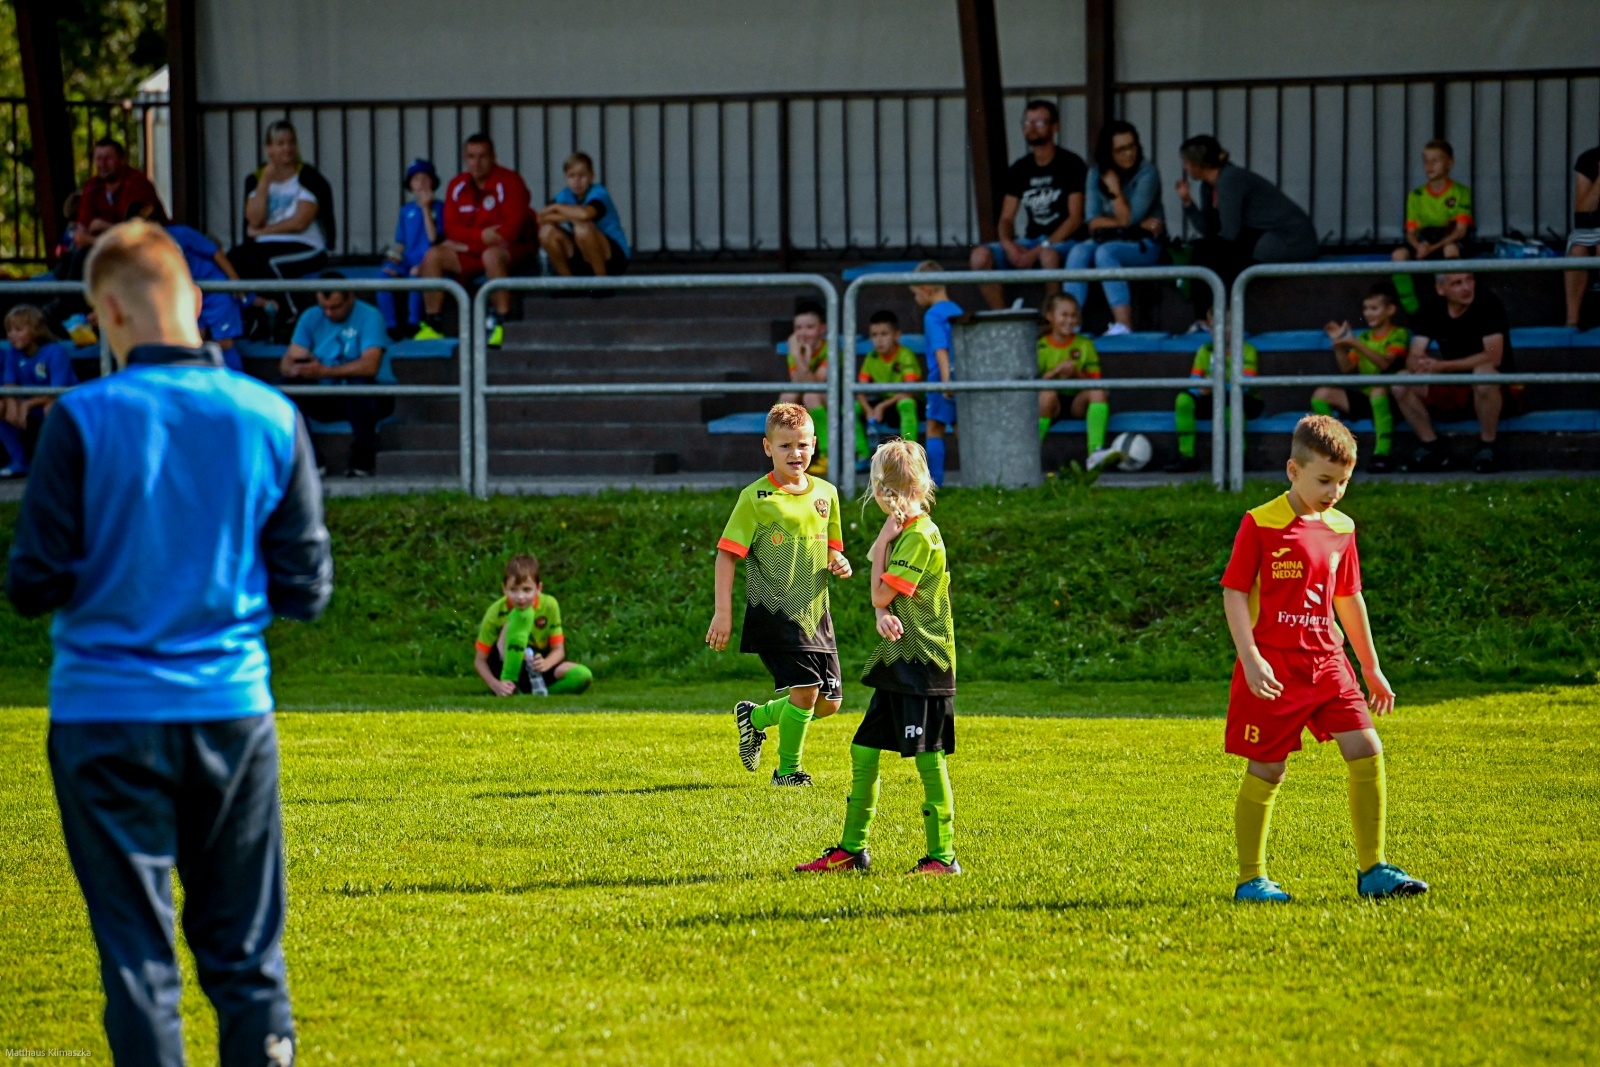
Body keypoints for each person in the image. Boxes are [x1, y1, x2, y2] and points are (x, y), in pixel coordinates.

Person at [4, 219, 331, 1066]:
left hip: (103, 716)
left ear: (109, 311)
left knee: (139, 963)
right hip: (229, 711)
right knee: (248, 958)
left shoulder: (79, 419)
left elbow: (31, 585)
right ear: (193, 301)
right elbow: (306, 591)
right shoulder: (271, 415)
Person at [1220, 414, 1427, 904]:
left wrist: (1371, 667)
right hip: (1273, 668)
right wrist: (1250, 657)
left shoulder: (1341, 528)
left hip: (1328, 663)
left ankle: (1373, 869)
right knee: (1268, 770)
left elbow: (1349, 598)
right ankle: (1252, 880)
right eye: (1324, 480)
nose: (1334, 491)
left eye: (1343, 482)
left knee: (1367, 748)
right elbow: (1233, 592)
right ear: (1293, 471)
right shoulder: (1261, 523)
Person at [796, 439, 958, 876]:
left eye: (891, 491)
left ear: (904, 490)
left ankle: (943, 856)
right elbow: (883, 596)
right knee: (864, 749)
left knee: (929, 756)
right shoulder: (905, 532)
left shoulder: (919, 536)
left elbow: (879, 591)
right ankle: (852, 850)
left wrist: (881, 596)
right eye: (888, 491)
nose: (889, 500)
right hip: (896, 660)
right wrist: (883, 609)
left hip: (924, 661)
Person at [707, 402, 852, 787]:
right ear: (768, 447)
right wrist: (723, 613)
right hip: (774, 612)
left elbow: (833, 546)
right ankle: (788, 772)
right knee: (805, 693)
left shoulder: (827, 493)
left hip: (816, 613)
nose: (796, 454)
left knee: (828, 703)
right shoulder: (755, 498)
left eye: (803, 445)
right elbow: (726, 555)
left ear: (815, 444)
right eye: (786, 446)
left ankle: (755, 718)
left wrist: (839, 561)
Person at [416, 133, 536, 348]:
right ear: (465, 158)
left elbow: (511, 231)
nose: (477, 163)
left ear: (493, 157)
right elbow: (452, 229)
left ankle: (502, 322)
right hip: (473, 253)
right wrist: (480, 238)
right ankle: (433, 324)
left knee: (492, 255)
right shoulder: (457, 185)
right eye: (471, 157)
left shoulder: (511, 181)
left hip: (513, 251)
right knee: (433, 255)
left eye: (483, 156)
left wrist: (466, 243)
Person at [1178, 135, 1318, 316]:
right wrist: (1188, 203)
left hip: (1289, 240)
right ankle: (1208, 316)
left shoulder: (1230, 179)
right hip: (1258, 237)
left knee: (1210, 254)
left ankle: (1209, 316)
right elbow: (1209, 231)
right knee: (1203, 251)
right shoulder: (1208, 187)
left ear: (1198, 164)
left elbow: (1229, 234)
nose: (1185, 168)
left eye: (1187, 163)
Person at [1392, 272, 1517, 474]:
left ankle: (1487, 446)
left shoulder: (1487, 302)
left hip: (1499, 389)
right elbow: (1414, 355)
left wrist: (1442, 367)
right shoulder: (1432, 308)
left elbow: (1494, 357)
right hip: (1456, 386)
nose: (1466, 287)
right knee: (1401, 382)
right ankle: (1432, 447)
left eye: (1469, 280)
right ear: (1441, 289)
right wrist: (1420, 364)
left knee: (1484, 374)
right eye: (1457, 283)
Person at [968, 100, 1086, 310]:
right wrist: (1008, 245)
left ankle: (1051, 318)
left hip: (1062, 242)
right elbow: (1006, 218)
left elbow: (1075, 218)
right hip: (1030, 241)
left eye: (1040, 122)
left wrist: (1039, 249)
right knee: (979, 257)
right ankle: (1005, 318)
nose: (1032, 127)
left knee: (1047, 256)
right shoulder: (1020, 169)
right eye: (1027, 122)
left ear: (1055, 126)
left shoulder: (1071, 164)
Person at [280, 270, 394, 477]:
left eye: (335, 307)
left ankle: (362, 462)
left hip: (369, 394)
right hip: (326, 393)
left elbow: (370, 366)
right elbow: (287, 362)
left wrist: (326, 370)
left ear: (350, 297)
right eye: (324, 307)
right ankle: (312, 461)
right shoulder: (311, 316)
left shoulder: (370, 316)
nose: (329, 314)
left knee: (359, 385)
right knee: (286, 387)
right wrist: (300, 368)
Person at [1066, 120, 1166, 334]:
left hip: (1144, 245)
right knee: (1078, 251)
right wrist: (1130, 222)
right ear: (1108, 152)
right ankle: (1070, 324)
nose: (1129, 153)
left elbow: (1130, 218)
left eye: (1132, 146)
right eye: (1121, 149)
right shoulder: (1095, 173)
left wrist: (1115, 192)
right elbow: (1092, 221)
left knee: (1105, 253)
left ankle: (1123, 325)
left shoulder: (1147, 172)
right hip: (1108, 237)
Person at [228, 121, 336, 318]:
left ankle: (289, 314)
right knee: (234, 258)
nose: (287, 148)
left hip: (304, 245)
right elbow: (254, 219)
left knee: (265, 262)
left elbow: (299, 222)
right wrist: (265, 182)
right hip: (265, 245)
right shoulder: (257, 179)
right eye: (280, 144)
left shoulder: (307, 177)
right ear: (268, 148)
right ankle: (252, 315)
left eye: (291, 143)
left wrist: (262, 232)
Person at [1313, 283, 1409, 473]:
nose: (1368, 313)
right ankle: (1333, 454)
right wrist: (1339, 344)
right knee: (1321, 393)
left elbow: (1385, 363)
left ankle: (1381, 454)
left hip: (1393, 402)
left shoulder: (1399, 334)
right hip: (1367, 398)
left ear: (1390, 310)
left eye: (1374, 308)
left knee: (1378, 390)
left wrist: (1354, 343)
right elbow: (1347, 368)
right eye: (1365, 309)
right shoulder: (1364, 338)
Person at [473, 554, 595, 697]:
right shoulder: (495, 612)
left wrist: (546, 663)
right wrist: (495, 685)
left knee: (582, 675)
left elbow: (558, 650)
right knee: (516, 619)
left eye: (526, 590)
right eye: (513, 590)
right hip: (505, 662)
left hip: (538, 662)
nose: (520, 597)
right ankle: (510, 682)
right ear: (504, 589)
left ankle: (541, 693)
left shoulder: (549, 606)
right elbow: (480, 660)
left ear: (538, 588)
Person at [1166, 308, 1262, 473]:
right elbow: (1194, 381)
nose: (1221, 331)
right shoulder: (1205, 350)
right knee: (1183, 400)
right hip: (1211, 396)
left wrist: (1218, 385)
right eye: (1215, 326)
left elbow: (1246, 384)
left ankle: (1239, 458)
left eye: (1227, 326)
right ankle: (1186, 456)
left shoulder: (1247, 350)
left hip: (1244, 399)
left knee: (1232, 405)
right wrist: (1200, 388)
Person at [1035, 293, 1115, 469]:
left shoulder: (1085, 344)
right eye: (1064, 315)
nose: (1069, 320)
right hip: (1050, 404)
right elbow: (1029, 385)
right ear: (1050, 317)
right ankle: (1029, 455)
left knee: (1098, 393)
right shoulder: (1040, 346)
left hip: (1076, 402)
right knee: (1047, 395)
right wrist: (1054, 373)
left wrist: (1076, 374)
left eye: (1073, 315)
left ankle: (1095, 454)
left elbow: (1096, 383)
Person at [1, 305, 78, 478]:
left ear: (35, 330)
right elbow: (9, 383)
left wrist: (27, 404)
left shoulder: (55, 352)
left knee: (51, 408)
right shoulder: (13, 352)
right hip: (30, 402)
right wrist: (12, 402)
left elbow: (56, 390)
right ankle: (19, 461)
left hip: (60, 400)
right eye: (9, 330)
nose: (11, 335)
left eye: (18, 330)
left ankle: (59, 464)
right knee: (2, 406)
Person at [164, 222, 246, 370]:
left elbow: (215, 251)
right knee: (194, 340)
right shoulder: (145, 246)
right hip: (190, 294)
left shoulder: (182, 232)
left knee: (224, 342)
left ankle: (236, 384)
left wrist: (234, 280)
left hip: (216, 290)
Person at [539, 152, 631, 278]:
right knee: (546, 231)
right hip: (584, 254)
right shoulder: (565, 194)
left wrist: (557, 208)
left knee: (582, 228)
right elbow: (541, 217)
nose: (577, 181)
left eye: (582, 175)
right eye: (571, 176)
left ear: (591, 176)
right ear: (566, 178)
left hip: (612, 258)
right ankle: (567, 284)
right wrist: (566, 214)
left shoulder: (599, 193)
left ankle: (602, 283)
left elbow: (585, 214)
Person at [912, 261, 963, 487]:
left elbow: (940, 349)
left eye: (915, 293)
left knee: (934, 427)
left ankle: (935, 483)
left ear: (926, 289)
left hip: (941, 378)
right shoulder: (956, 309)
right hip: (962, 375)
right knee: (962, 427)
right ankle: (977, 475)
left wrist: (945, 381)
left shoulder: (932, 315)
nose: (916, 299)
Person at [379, 159, 444, 336]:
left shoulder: (440, 208)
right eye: (415, 180)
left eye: (425, 178)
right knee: (383, 276)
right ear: (410, 185)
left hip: (427, 260)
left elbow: (434, 238)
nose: (421, 184)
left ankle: (414, 323)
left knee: (416, 277)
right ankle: (390, 325)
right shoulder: (406, 210)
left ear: (433, 182)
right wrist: (393, 258)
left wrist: (426, 209)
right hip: (408, 260)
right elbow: (401, 241)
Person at [855, 308, 922, 469]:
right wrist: (868, 409)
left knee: (906, 403)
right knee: (851, 408)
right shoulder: (871, 358)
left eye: (884, 334)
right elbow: (859, 390)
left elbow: (910, 389)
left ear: (896, 335)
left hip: (908, 403)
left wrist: (881, 406)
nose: (879, 340)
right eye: (874, 335)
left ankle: (909, 457)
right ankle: (864, 455)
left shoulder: (906, 355)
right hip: (884, 404)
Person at [778, 299, 831, 475]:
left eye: (810, 327)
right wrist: (799, 356)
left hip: (829, 401)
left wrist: (800, 359)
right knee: (788, 396)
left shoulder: (830, 350)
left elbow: (815, 383)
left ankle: (827, 454)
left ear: (822, 329)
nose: (803, 333)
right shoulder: (795, 348)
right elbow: (797, 381)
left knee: (810, 396)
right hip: (806, 398)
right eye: (799, 328)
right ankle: (782, 454)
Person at [1564, 143, 1600, 328]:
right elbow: (1582, 211)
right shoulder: (1589, 159)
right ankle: (1572, 321)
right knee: (1577, 249)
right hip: (1591, 227)